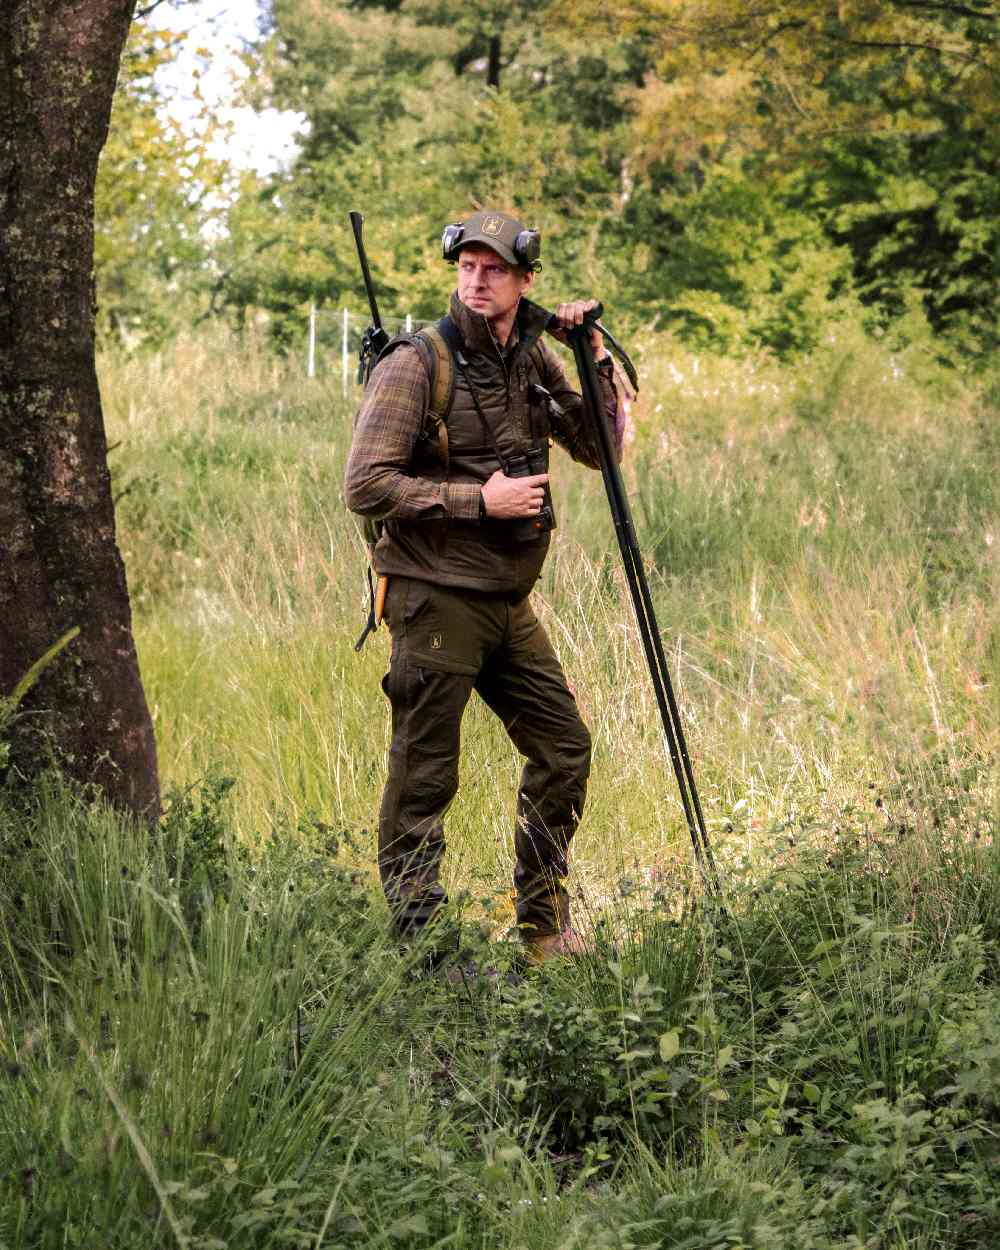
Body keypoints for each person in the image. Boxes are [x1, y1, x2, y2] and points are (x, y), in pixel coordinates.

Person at [345, 209, 623, 964]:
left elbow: (601, 449)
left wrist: (591, 355)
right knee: (425, 776)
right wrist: (479, 502)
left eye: (493, 268)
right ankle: (425, 950)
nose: (476, 280)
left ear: (525, 280)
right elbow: (364, 485)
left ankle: (542, 927)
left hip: (506, 597)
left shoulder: (531, 359)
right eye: (467, 266)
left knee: (564, 749)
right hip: (434, 595)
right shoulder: (417, 363)